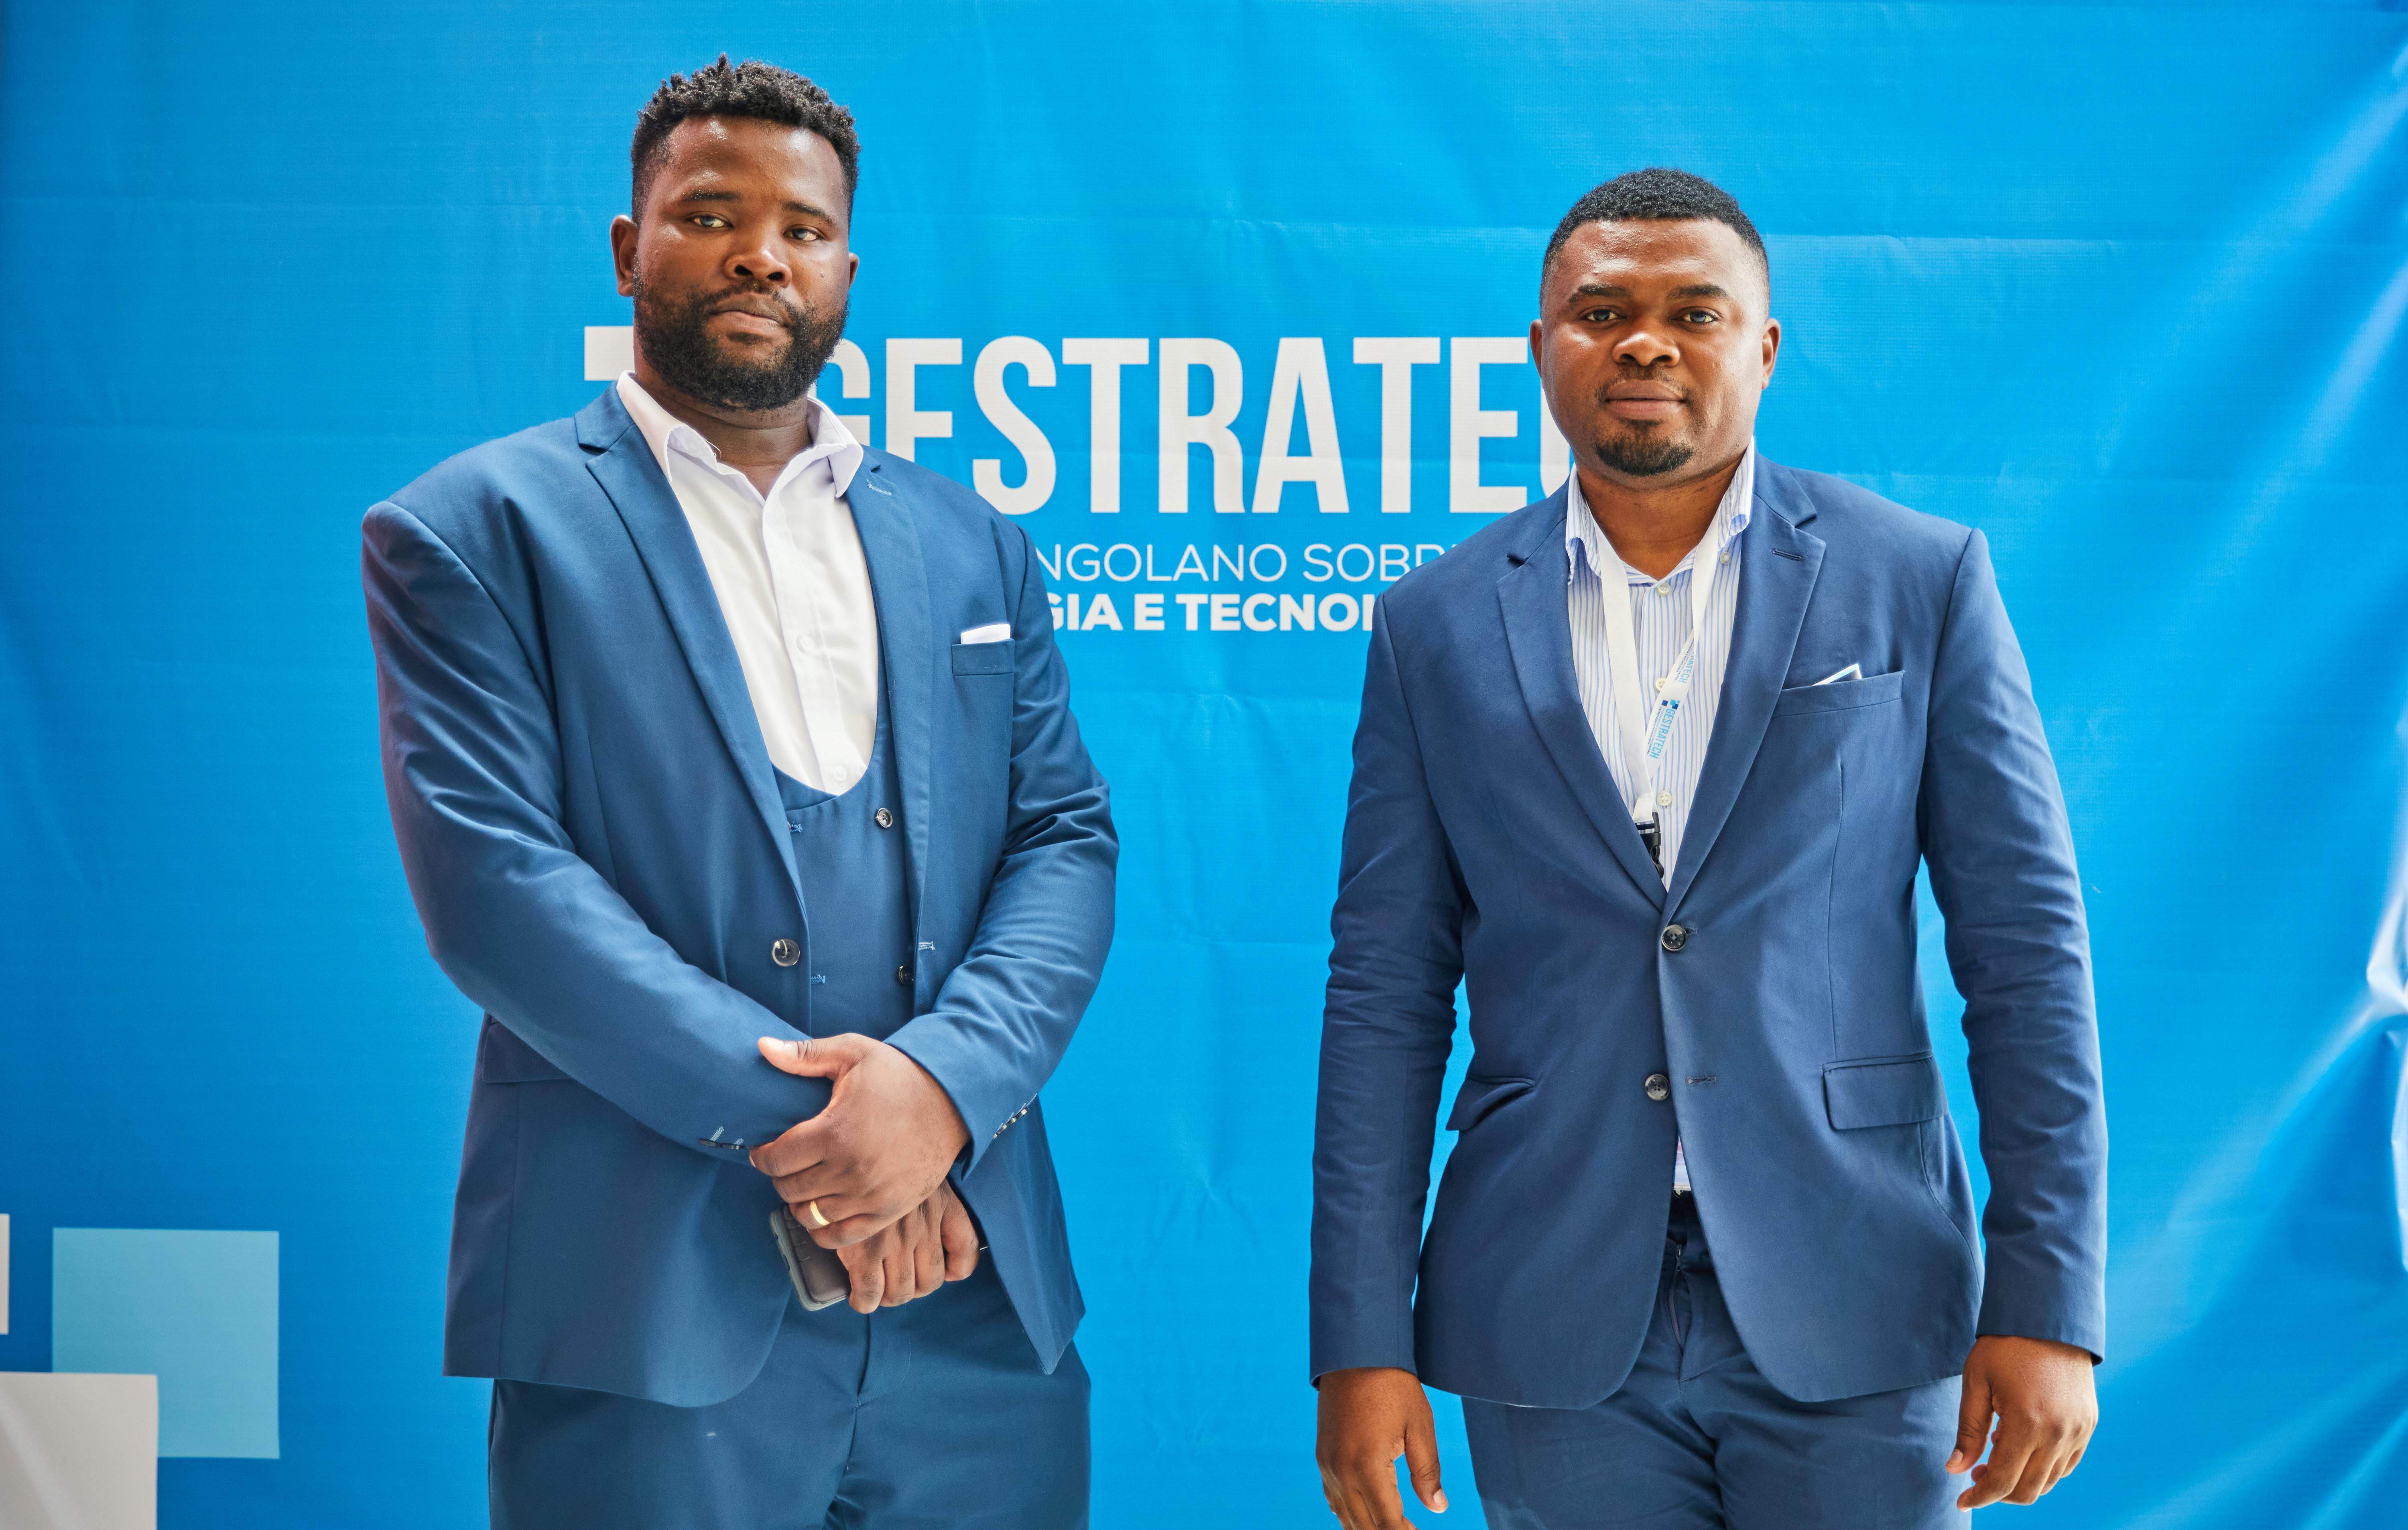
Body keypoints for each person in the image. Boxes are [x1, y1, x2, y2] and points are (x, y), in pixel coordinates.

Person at [362, 56, 1114, 1529]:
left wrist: (941, 1095)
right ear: (629, 248)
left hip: (972, 1293)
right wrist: (845, 1155)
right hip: (646, 1296)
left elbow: (1060, 838)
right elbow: (498, 894)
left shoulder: (971, 543)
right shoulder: (473, 529)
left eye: (803, 226)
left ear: (845, 265)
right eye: (710, 213)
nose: (762, 251)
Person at [1309, 169, 2104, 1530]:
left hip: (1858, 1280)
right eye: (1600, 310)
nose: (1643, 342)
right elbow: (1383, 993)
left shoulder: (1919, 577)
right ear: (1541, 344)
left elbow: (2024, 954)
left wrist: (2051, 1300)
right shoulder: (1429, 625)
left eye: (1694, 310)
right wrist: (1358, 1336)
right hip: (1547, 1299)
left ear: (1764, 345)